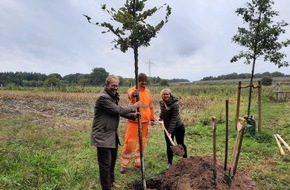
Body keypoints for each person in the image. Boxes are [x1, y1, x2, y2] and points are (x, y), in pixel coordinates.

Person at [91, 75, 140, 190]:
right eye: (113, 85)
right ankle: (106, 187)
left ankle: (111, 181)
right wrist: (134, 106)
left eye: (117, 85)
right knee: (105, 164)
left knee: (112, 161)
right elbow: (118, 110)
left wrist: (133, 116)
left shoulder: (112, 96)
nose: (115, 88)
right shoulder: (102, 98)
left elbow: (118, 112)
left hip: (112, 134)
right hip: (102, 135)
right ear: (106, 84)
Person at [120, 73, 155, 173]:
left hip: (145, 121)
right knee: (129, 142)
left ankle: (138, 162)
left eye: (145, 80)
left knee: (142, 143)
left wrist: (152, 118)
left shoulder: (148, 92)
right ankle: (124, 165)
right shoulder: (133, 89)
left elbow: (151, 106)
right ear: (138, 81)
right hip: (134, 121)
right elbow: (130, 95)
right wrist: (134, 94)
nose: (144, 82)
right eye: (141, 80)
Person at [159, 88, 188, 169]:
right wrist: (160, 117)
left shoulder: (175, 104)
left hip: (178, 127)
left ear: (170, 95)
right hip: (167, 127)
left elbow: (174, 118)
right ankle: (169, 163)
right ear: (162, 95)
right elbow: (163, 112)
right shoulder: (161, 102)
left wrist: (170, 131)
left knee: (180, 144)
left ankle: (185, 160)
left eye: (167, 94)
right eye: (164, 94)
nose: (166, 96)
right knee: (169, 145)